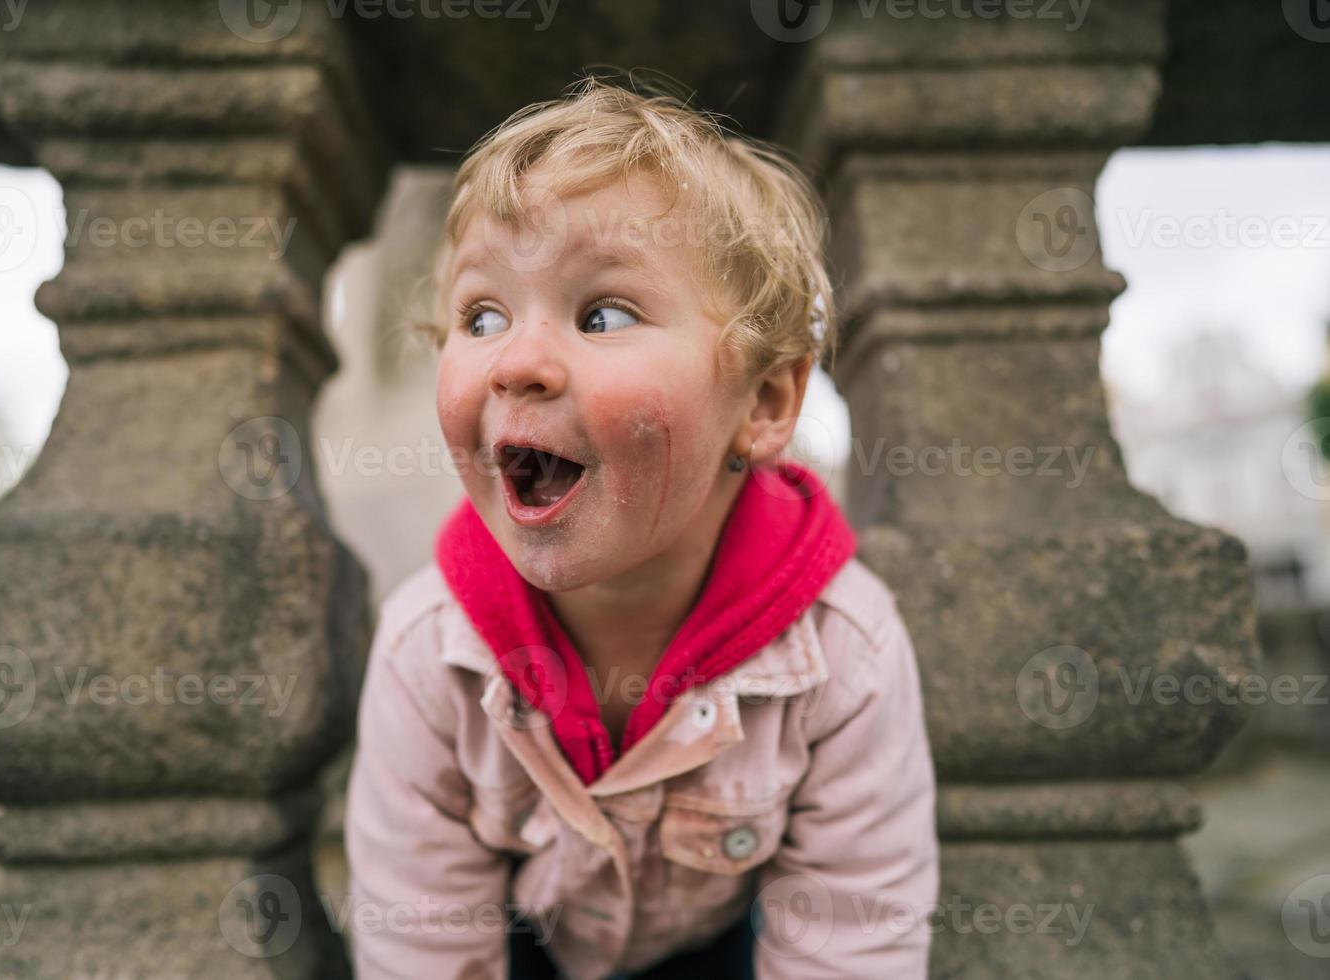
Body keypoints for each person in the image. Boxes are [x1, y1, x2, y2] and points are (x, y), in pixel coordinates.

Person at [346, 74, 938, 980]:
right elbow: (419, 943)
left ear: (767, 401)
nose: (518, 362)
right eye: (483, 314)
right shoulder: (429, 653)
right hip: (522, 945)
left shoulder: (843, 652)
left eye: (604, 314)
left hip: (720, 950)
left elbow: (852, 939)